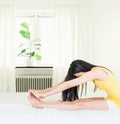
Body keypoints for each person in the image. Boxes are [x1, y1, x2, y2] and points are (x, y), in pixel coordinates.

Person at [28, 59, 120, 110]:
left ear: (83, 69)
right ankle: (42, 103)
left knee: (79, 104)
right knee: (78, 101)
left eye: (79, 76)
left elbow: (68, 84)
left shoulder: (95, 72)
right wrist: (43, 91)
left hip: (117, 102)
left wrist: (45, 94)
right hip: (112, 98)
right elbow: (66, 83)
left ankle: (41, 104)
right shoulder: (95, 70)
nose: (80, 79)